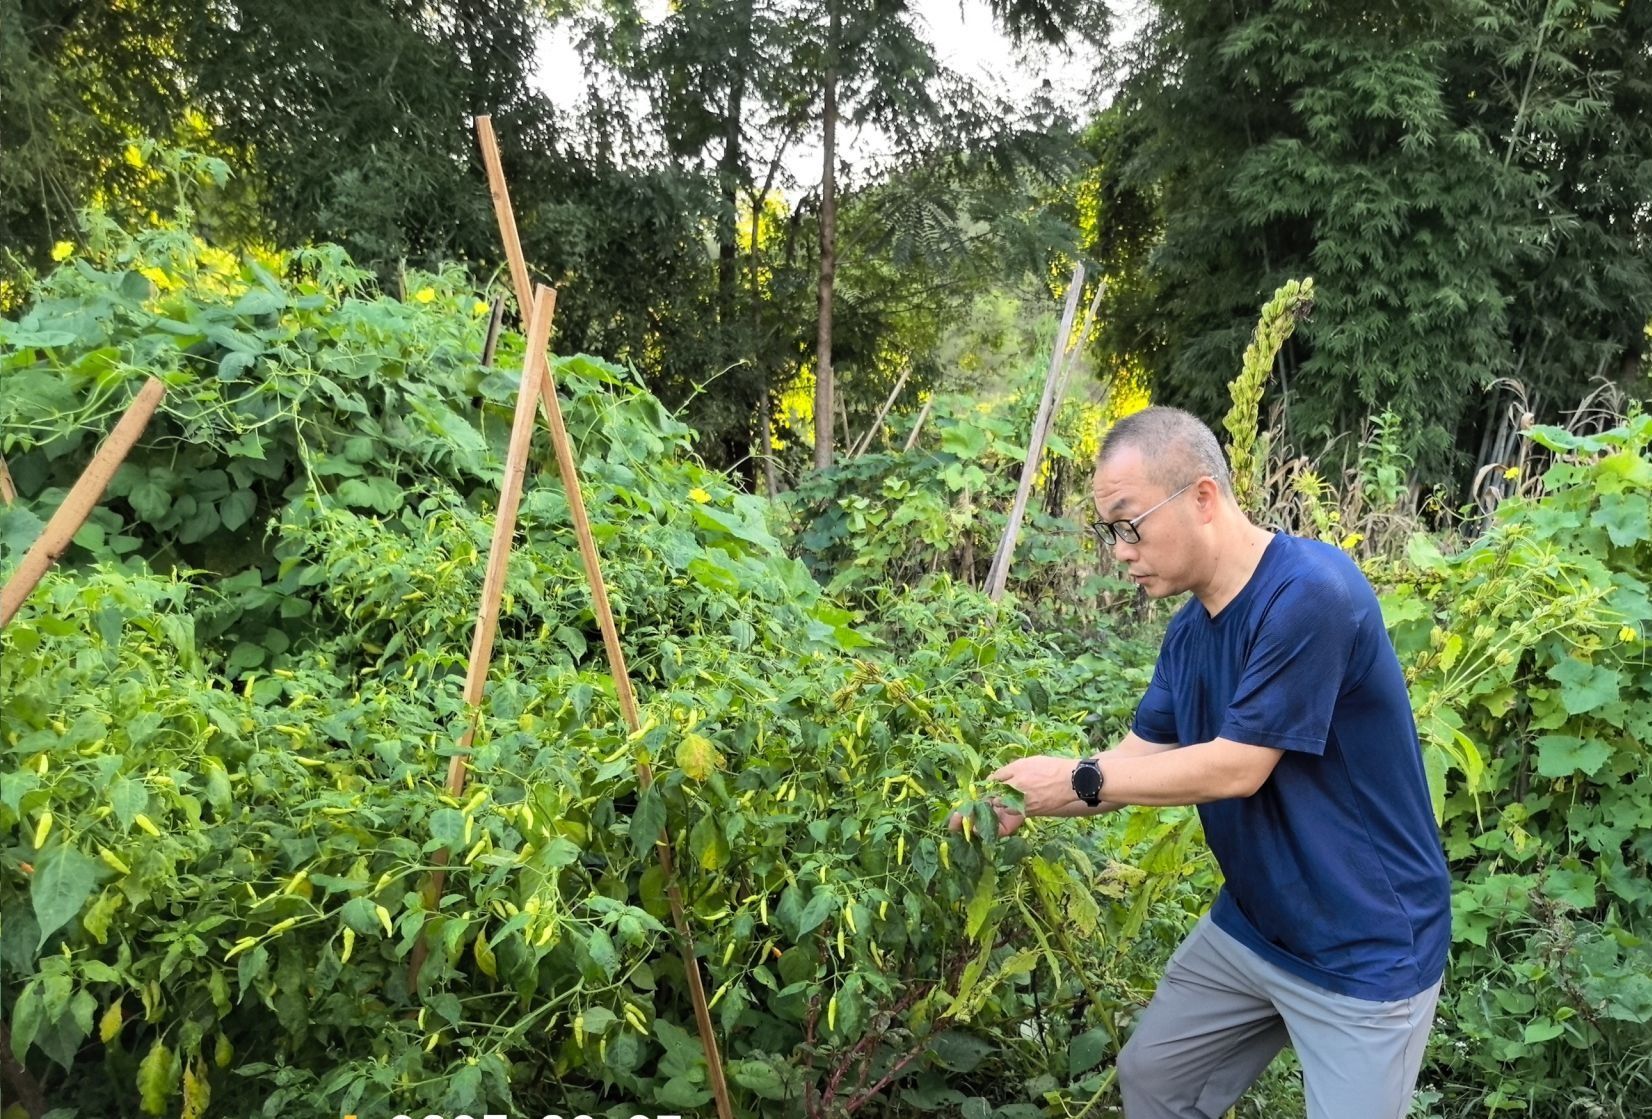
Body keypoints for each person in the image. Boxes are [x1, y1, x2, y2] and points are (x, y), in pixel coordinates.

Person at [955, 407, 1450, 1119]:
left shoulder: (1311, 593)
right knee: (1157, 1080)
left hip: (1364, 945)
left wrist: (1074, 775)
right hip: (1257, 925)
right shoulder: (1189, 634)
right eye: (1109, 532)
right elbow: (1131, 764)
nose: (1120, 551)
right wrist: (1013, 800)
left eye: (1129, 524)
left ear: (1203, 497)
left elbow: (1235, 768)